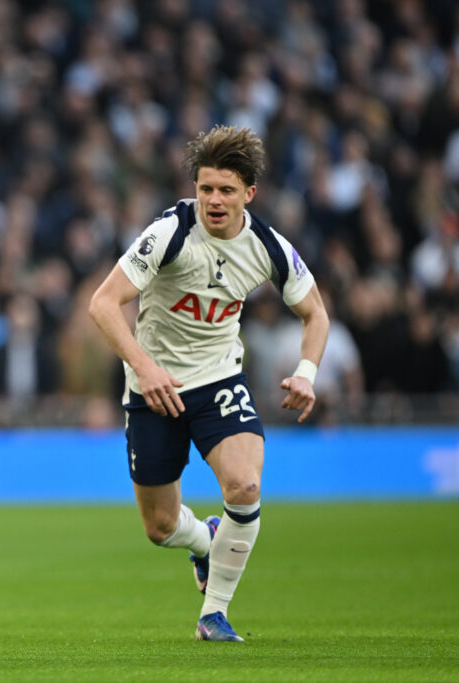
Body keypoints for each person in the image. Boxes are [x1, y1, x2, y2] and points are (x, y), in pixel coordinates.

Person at [88, 125, 329, 642]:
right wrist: (144, 368)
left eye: (225, 190)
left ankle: (213, 615)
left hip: (219, 378)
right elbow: (103, 304)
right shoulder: (169, 233)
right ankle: (204, 539)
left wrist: (307, 374)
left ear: (249, 193)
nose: (213, 200)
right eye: (205, 189)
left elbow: (316, 314)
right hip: (154, 388)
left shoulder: (268, 246)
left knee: (244, 486)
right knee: (160, 528)